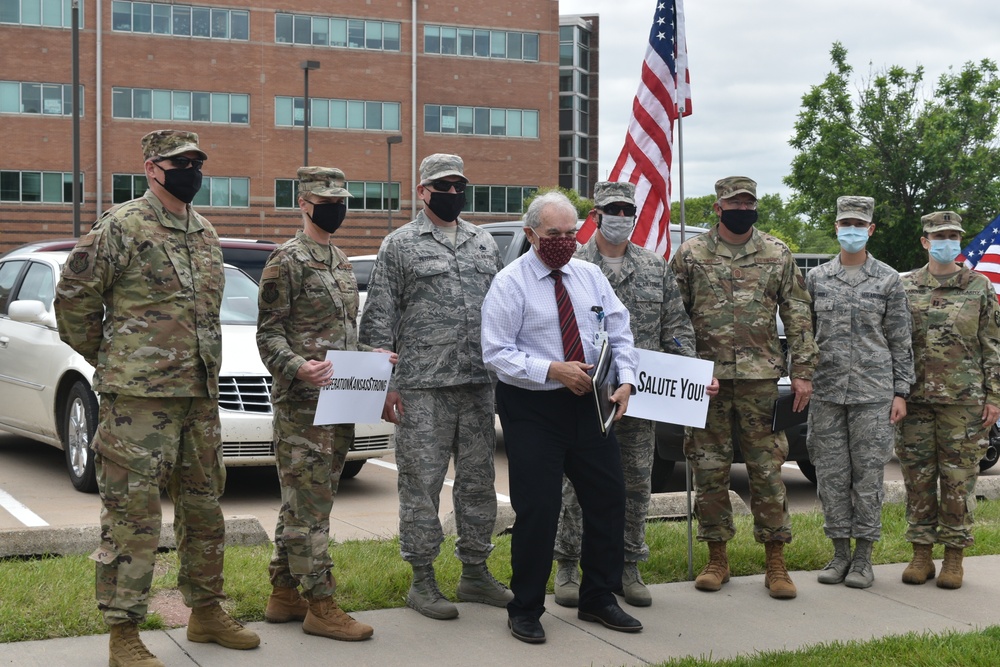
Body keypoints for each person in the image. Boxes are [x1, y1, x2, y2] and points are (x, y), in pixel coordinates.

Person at [54, 130, 260, 667]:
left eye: (197, 160)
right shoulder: (122, 226)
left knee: (204, 509)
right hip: (137, 402)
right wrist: (113, 358)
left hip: (199, 395)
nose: (191, 169)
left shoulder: (205, 232)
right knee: (133, 517)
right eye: (179, 162)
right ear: (152, 168)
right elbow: (73, 295)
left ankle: (207, 612)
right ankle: (124, 634)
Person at [482, 190, 642, 644]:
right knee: (539, 508)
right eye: (555, 234)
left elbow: (619, 329)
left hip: (591, 402)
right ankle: (526, 607)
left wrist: (626, 379)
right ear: (531, 233)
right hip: (534, 407)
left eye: (572, 233)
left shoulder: (590, 276)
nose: (565, 241)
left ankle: (598, 597)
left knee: (608, 499)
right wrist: (551, 369)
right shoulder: (510, 283)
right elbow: (495, 352)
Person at [358, 153, 510, 620]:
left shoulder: (484, 242)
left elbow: (503, 310)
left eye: (458, 185)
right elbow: (378, 319)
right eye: (441, 186)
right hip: (422, 388)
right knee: (420, 486)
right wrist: (381, 388)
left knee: (478, 484)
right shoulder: (400, 244)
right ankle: (422, 580)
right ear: (422, 191)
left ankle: (474, 572)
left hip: (477, 385)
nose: (451, 194)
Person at [552, 181, 713, 609]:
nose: (620, 216)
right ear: (596, 215)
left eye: (627, 209)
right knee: (574, 485)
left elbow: (675, 330)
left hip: (639, 397)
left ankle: (628, 566)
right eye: (612, 209)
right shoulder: (572, 262)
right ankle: (568, 564)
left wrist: (691, 375)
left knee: (636, 484)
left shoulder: (654, 266)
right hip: (582, 393)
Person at [256, 166, 397, 641]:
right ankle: (320, 603)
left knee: (306, 503)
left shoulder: (338, 260)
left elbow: (340, 337)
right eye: (326, 199)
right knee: (309, 509)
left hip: (340, 403)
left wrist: (368, 358)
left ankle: (283, 594)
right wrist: (297, 366)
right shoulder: (286, 260)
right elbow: (268, 333)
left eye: (342, 199)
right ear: (304, 203)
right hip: (303, 409)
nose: (336, 207)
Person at [669, 176, 818, 600]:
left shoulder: (776, 253)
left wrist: (803, 371)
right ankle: (718, 557)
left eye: (748, 202)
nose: (742, 208)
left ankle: (776, 562)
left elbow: (799, 315)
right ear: (718, 208)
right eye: (734, 202)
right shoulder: (690, 255)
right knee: (708, 469)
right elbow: (672, 317)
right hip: (706, 382)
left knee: (768, 471)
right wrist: (684, 369)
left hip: (760, 381)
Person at [804, 196, 914, 589]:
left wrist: (901, 392)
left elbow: (901, 341)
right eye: (844, 223)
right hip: (828, 392)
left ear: (869, 230)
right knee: (831, 476)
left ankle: (864, 558)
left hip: (873, 394)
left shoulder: (888, 280)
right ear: (836, 228)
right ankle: (839, 554)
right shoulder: (816, 279)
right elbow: (804, 337)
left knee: (867, 478)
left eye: (859, 224)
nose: (851, 230)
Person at [897, 211, 1000, 590]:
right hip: (915, 400)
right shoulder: (905, 286)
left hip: (964, 401)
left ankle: (954, 558)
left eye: (953, 235)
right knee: (918, 478)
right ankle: (921, 554)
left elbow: (993, 344)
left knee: (958, 481)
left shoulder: (979, 286)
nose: (947, 241)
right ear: (925, 241)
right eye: (939, 235)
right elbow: (895, 345)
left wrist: (995, 397)